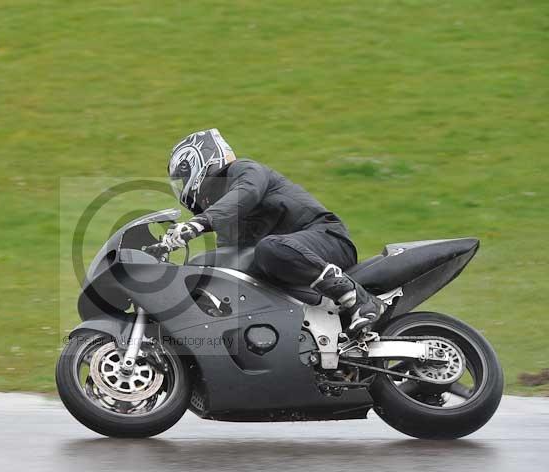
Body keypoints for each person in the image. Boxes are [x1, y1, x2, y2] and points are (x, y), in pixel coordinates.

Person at [162, 128, 385, 339]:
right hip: (287, 263)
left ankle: (360, 300)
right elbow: (229, 264)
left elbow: (246, 193)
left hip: (327, 239)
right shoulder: (226, 216)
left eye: (182, 178)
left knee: (270, 248)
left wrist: (198, 223)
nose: (182, 186)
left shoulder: (243, 170)